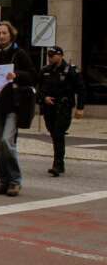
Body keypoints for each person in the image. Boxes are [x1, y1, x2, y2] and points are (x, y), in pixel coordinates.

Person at [0, 21, 37, 197]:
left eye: (4, 33)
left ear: (11, 35)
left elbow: (33, 75)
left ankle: (15, 180)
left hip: (14, 106)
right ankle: (3, 180)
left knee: (7, 142)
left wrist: (17, 75)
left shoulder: (19, 54)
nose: (1, 36)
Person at [38, 45, 85, 177]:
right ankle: (59, 163)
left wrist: (80, 108)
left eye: (52, 56)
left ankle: (57, 165)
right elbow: (38, 88)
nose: (50, 58)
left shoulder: (70, 70)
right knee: (53, 133)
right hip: (49, 108)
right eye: (49, 56)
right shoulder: (45, 71)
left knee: (58, 133)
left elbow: (81, 89)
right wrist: (44, 98)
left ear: (60, 55)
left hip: (63, 107)